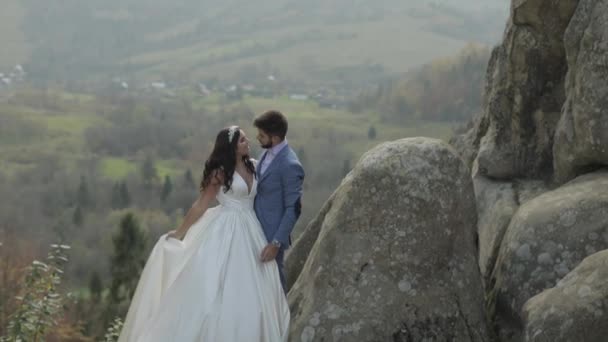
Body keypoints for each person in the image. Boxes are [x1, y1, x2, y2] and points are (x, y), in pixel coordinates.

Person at [118, 126, 289, 342]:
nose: (248, 142)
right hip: (225, 229)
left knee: (256, 293)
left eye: (246, 139)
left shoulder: (255, 166)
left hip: (251, 229)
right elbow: (201, 205)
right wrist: (180, 232)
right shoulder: (219, 172)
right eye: (243, 140)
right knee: (214, 290)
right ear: (232, 147)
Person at [253, 110, 305, 292]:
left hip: (271, 236)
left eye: (261, 135)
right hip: (253, 230)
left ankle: (282, 319)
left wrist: (276, 243)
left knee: (274, 287)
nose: (257, 138)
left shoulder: (290, 165)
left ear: (274, 138)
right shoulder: (266, 153)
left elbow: (294, 208)